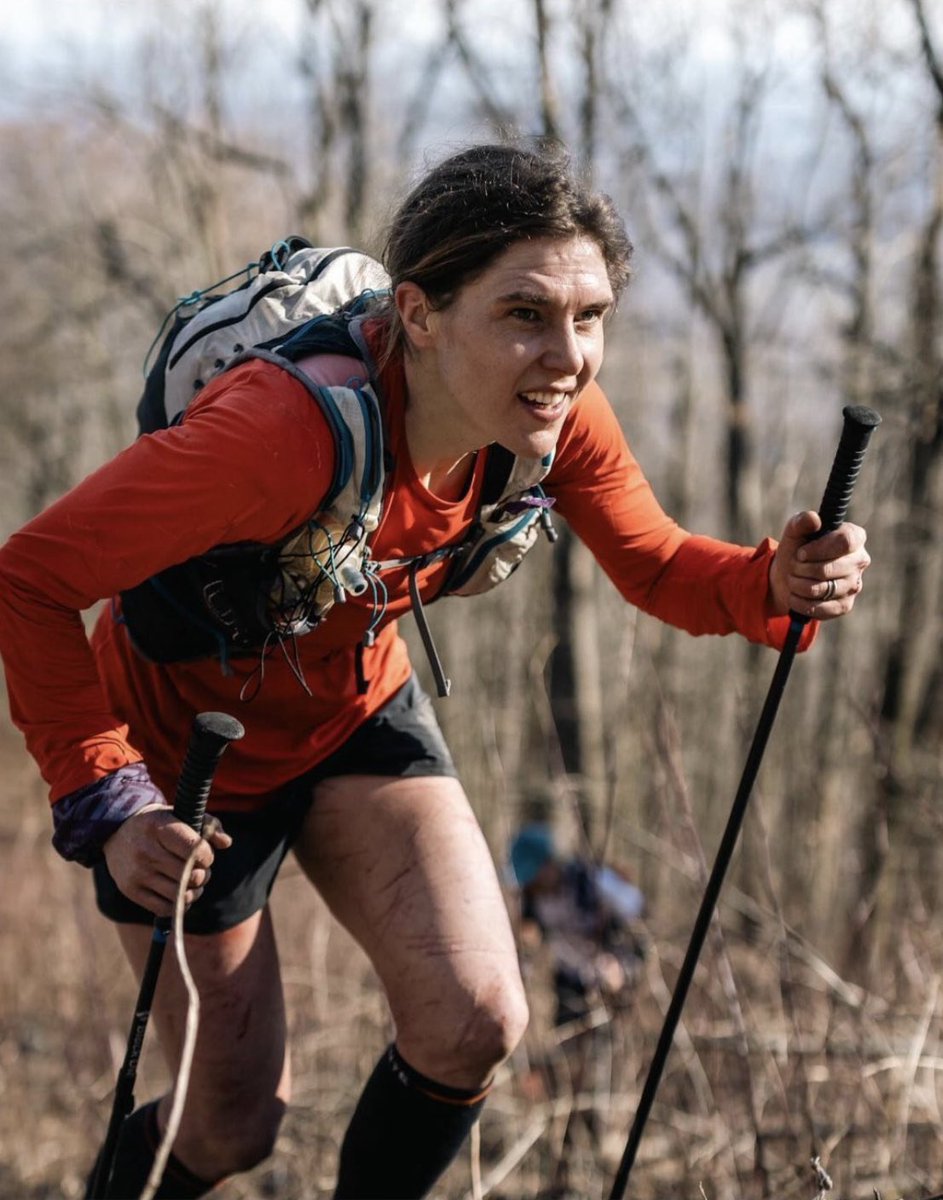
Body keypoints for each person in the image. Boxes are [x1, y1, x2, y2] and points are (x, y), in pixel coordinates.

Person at [0, 139, 871, 1200]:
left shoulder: (548, 422)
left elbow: (654, 564)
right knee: (229, 1124)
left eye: (589, 316)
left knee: (476, 1020)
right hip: (186, 761)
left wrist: (772, 583)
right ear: (417, 314)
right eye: (524, 314)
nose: (568, 356)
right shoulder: (276, 438)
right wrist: (108, 795)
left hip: (355, 712)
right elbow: (30, 578)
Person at [509, 822, 647, 1028]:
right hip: (568, 983)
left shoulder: (591, 882)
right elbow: (528, 941)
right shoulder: (532, 900)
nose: (530, 885)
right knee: (568, 1045)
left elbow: (640, 927)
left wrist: (622, 969)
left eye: (533, 876)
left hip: (607, 985)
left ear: (549, 864)